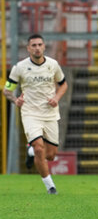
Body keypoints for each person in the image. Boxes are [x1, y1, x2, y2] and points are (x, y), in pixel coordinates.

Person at [3, 34, 68, 194]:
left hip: (50, 113)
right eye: (34, 45)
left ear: (44, 46)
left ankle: (31, 151)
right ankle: (50, 187)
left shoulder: (53, 65)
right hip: (30, 113)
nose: (37, 48)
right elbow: (7, 90)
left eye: (40, 44)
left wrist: (56, 98)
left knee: (51, 155)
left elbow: (63, 84)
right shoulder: (19, 67)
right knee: (40, 148)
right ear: (28, 48)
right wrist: (14, 99)